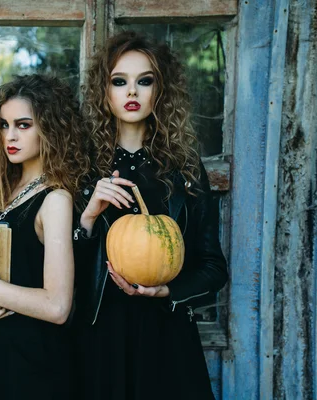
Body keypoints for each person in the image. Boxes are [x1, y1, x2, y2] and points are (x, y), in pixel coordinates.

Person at [73, 31, 229, 400]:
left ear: (161, 91)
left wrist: (168, 291)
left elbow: (213, 267)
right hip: (100, 334)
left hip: (166, 335)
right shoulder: (81, 167)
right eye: (119, 81)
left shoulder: (185, 167)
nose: (132, 92)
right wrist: (88, 219)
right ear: (103, 91)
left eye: (144, 81)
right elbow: (58, 268)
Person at [0, 74, 89, 400]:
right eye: (3, 125)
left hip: (32, 368)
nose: (10, 136)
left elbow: (57, 306)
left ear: (50, 129)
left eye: (23, 125)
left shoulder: (55, 199)